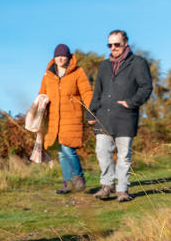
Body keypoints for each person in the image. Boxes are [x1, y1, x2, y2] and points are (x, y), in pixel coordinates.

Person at [88, 30, 153, 202]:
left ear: (125, 43)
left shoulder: (138, 63)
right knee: (102, 152)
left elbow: (146, 87)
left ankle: (123, 189)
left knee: (124, 156)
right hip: (104, 116)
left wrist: (131, 102)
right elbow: (97, 92)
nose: (113, 48)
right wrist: (91, 112)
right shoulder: (103, 66)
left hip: (126, 117)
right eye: (109, 45)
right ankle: (106, 185)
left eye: (116, 44)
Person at [37, 44, 93, 193]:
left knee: (68, 148)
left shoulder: (78, 72)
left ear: (68, 57)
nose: (60, 58)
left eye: (63, 56)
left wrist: (92, 109)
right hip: (53, 119)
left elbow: (86, 92)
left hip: (71, 117)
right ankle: (67, 183)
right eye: (57, 56)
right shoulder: (48, 75)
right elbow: (42, 94)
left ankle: (78, 178)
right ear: (54, 58)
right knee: (61, 152)